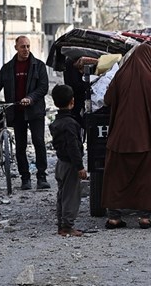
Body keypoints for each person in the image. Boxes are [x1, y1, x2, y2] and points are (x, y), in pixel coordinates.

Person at [101, 43, 151, 229]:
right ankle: (144, 217)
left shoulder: (121, 74)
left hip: (120, 136)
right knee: (146, 177)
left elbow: (107, 100)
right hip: (145, 136)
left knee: (116, 175)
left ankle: (114, 217)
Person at [0, 36, 50, 190]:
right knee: (20, 146)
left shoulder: (39, 66)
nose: (26, 50)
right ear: (16, 47)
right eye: (23, 46)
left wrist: (30, 98)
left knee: (38, 142)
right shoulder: (8, 68)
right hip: (16, 112)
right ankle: (25, 178)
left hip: (35, 112)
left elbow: (43, 88)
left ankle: (42, 177)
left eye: (28, 46)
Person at [49, 84, 88, 237]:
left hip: (61, 163)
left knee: (62, 195)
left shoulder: (57, 122)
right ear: (72, 102)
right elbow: (73, 147)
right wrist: (80, 167)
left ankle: (61, 225)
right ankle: (67, 226)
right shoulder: (71, 124)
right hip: (70, 165)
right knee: (71, 196)